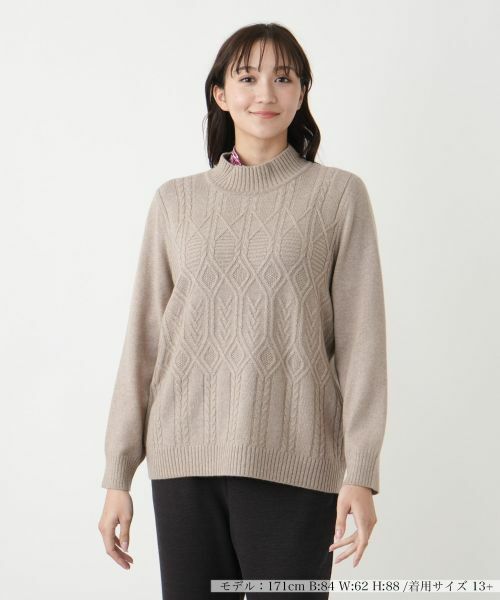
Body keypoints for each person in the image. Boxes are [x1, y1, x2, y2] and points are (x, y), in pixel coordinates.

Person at [98, 22, 388, 600]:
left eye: (283, 78)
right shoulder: (176, 202)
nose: (265, 93)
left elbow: (363, 344)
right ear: (220, 94)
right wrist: (118, 473)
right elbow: (145, 342)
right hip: (184, 465)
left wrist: (361, 471)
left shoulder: (338, 196)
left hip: (295, 461)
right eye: (248, 78)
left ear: (301, 93)